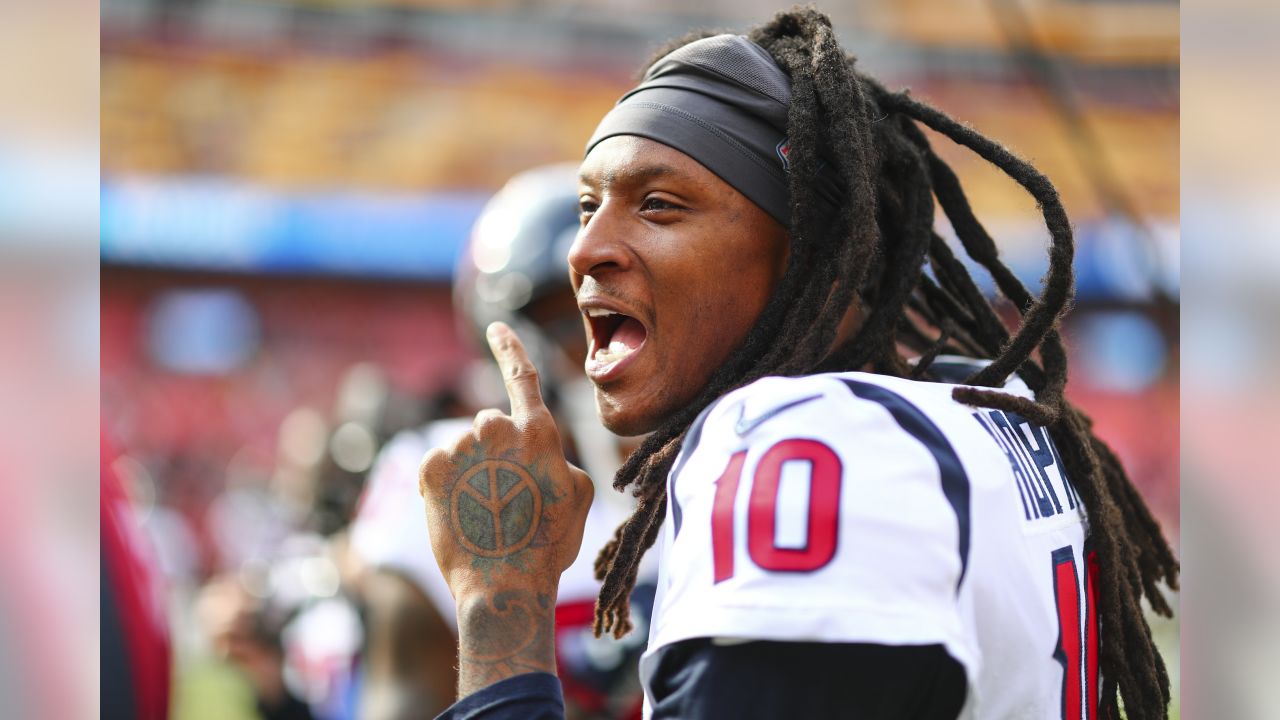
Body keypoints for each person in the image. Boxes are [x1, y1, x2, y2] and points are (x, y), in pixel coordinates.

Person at [417, 8, 1178, 720]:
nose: (585, 248)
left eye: (658, 205)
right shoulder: (990, 406)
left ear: (809, 252)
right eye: (589, 208)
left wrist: (499, 605)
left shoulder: (799, 441)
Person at [351, 164, 653, 720]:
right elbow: (402, 704)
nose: (601, 345)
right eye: (573, 320)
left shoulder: (721, 460)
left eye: (620, 314)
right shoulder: (452, 473)